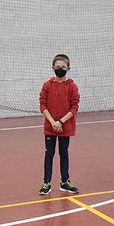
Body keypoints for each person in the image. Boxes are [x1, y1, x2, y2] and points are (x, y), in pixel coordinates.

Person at [38, 54, 80, 196]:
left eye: (63, 67)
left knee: (64, 154)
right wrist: (53, 122)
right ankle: (46, 183)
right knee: (49, 154)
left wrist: (61, 122)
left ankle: (65, 182)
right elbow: (43, 105)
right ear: (52, 68)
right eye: (57, 67)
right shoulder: (47, 85)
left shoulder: (72, 86)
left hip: (65, 127)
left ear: (68, 68)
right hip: (50, 127)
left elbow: (74, 108)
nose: (60, 69)